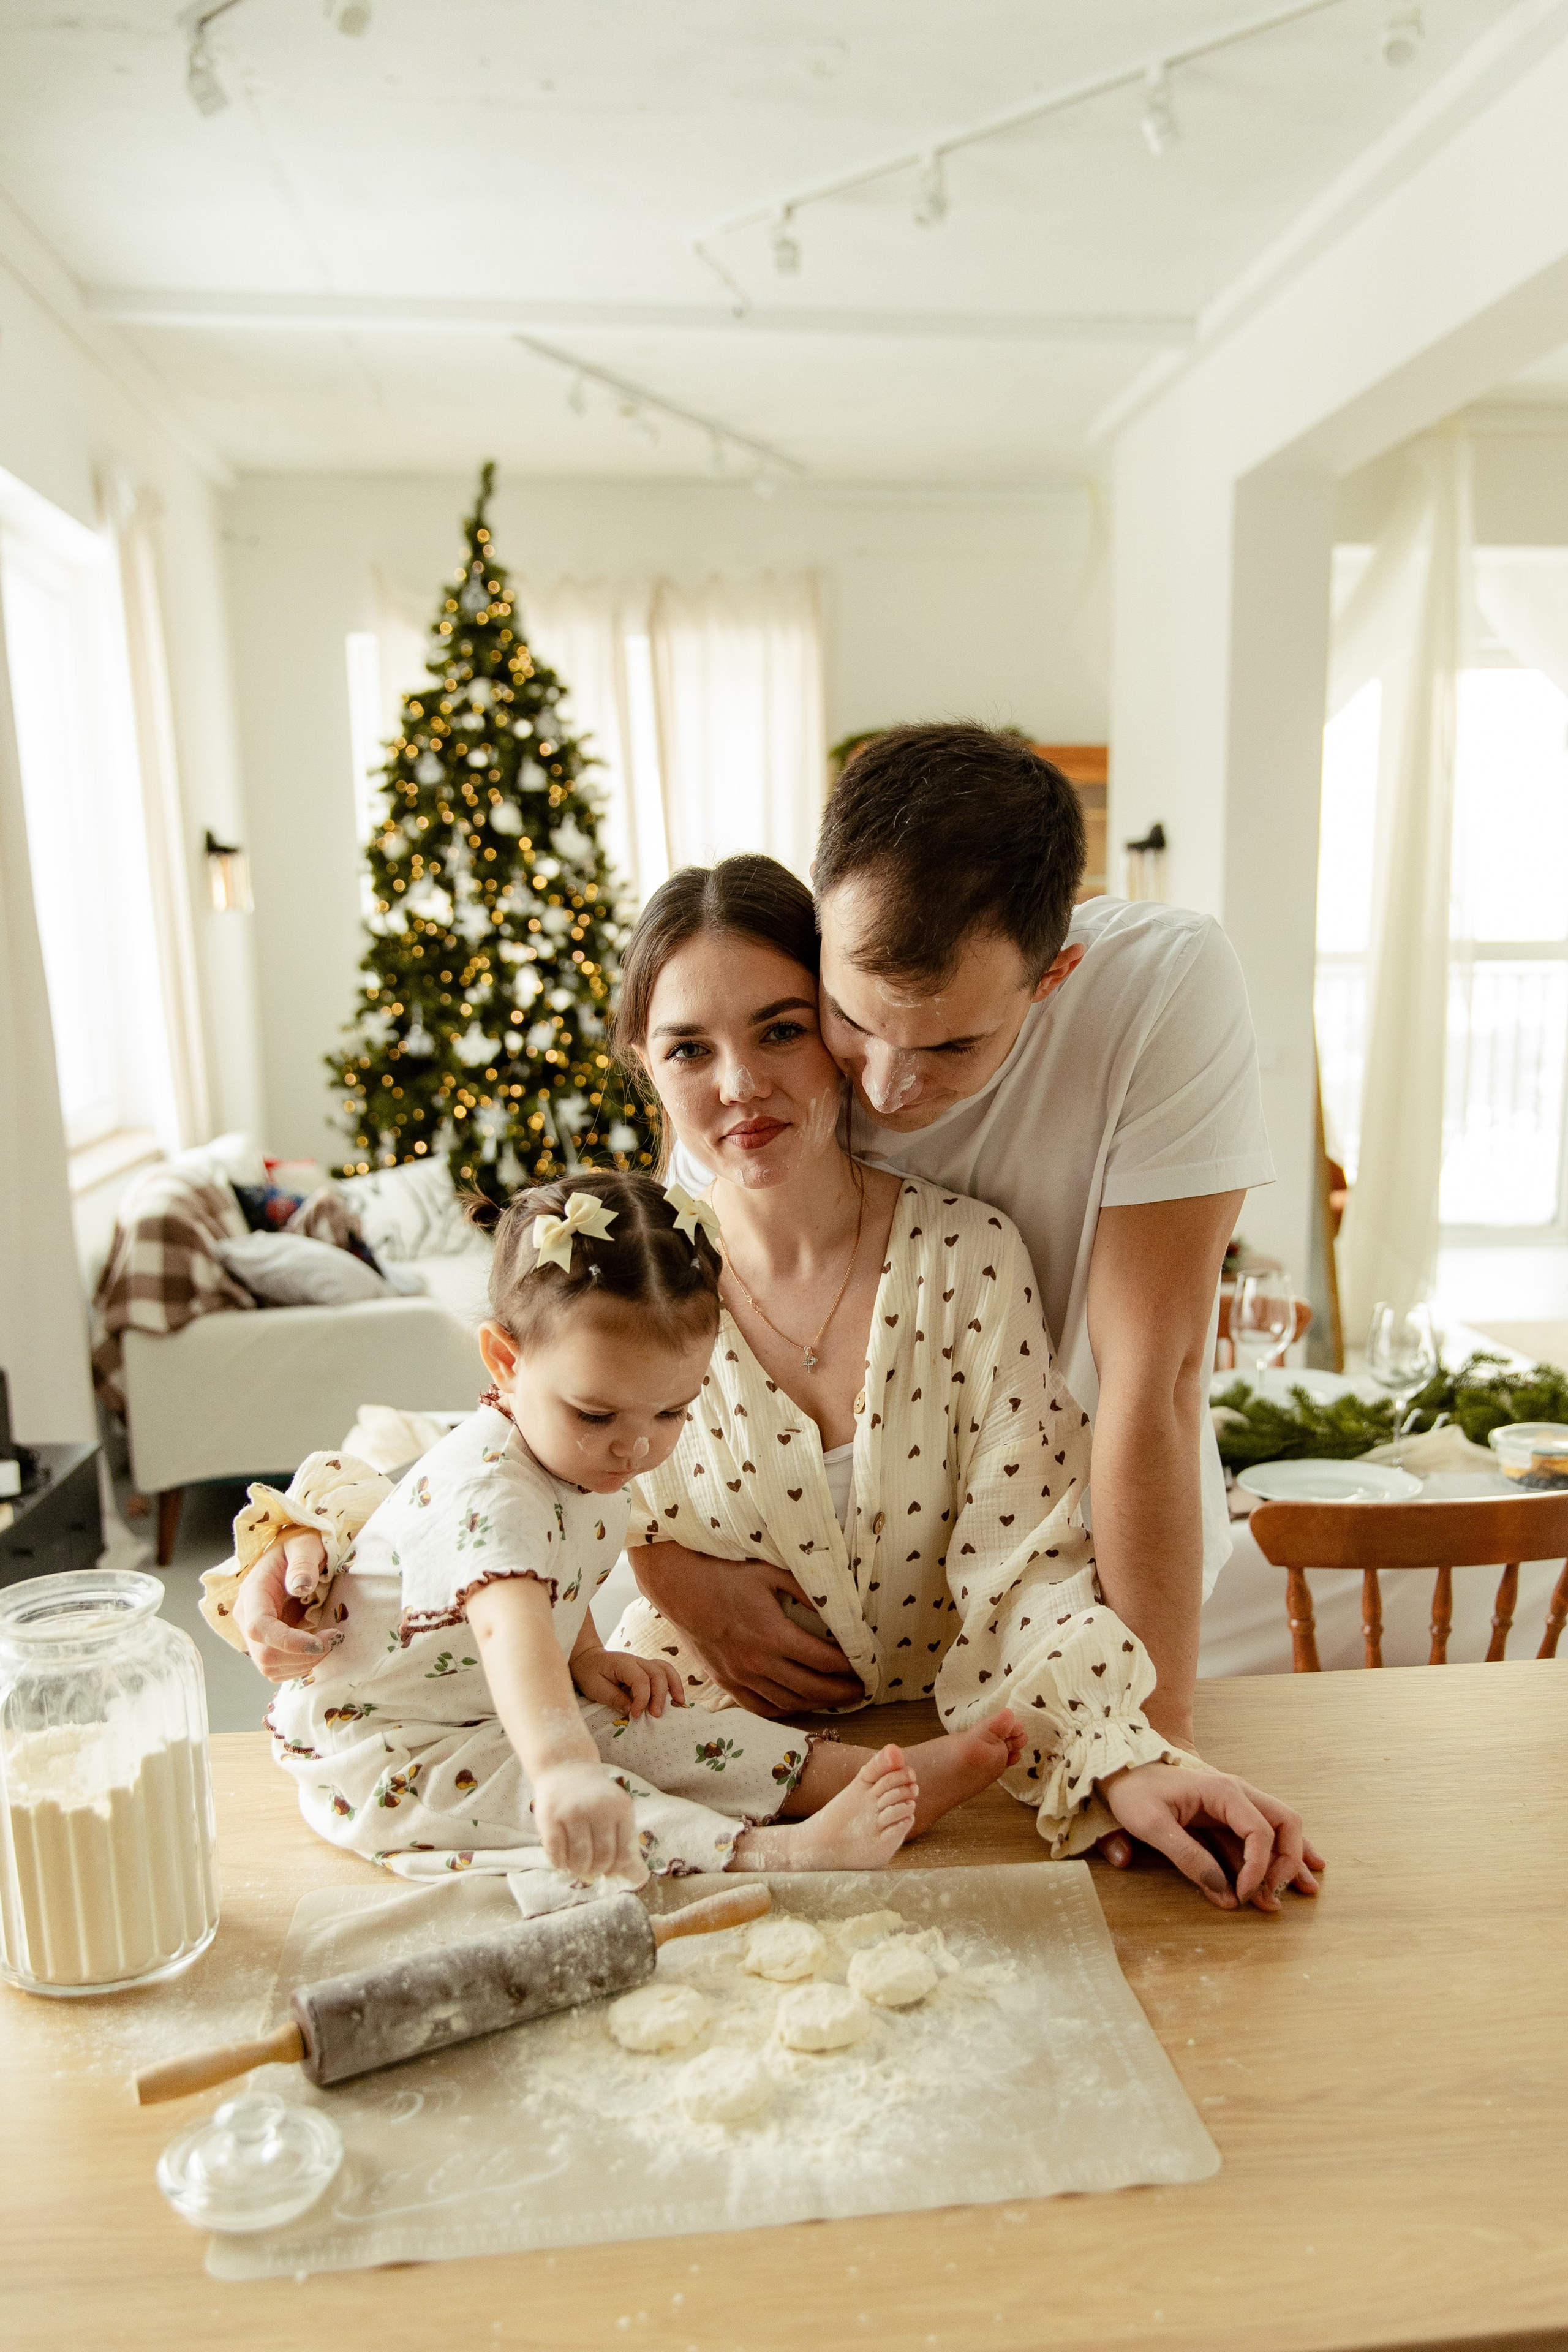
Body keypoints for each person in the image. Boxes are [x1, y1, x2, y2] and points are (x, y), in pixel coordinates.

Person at [606, 858, 1316, 1910]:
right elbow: (499, 1483)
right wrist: (295, 1547)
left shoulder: (968, 1257)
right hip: (690, 1788)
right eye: (689, 1049)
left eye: (781, 1030)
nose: (741, 1083)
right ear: (644, 1065)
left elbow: (1028, 1571)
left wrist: (1138, 1757)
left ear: (839, 1028)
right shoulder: (628, 1278)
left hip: (963, 1783)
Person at [644, 722, 1272, 1759]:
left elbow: (1151, 1383)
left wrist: (1153, 1741)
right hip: (821, 1643)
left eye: (952, 1044)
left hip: (1076, 1567)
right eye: (852, 1019)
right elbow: (668, 1370)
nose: (886, 1090)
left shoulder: (1163, 989)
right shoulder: (779, 1030)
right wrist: (663, 1569)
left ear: (1055, 975)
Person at [203, 1170, 1033, 1899]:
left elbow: (557, 1583)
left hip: (507, 1705)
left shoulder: (582, 1458)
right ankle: (770, 1850)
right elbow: (509, 1620)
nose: (636, 1447)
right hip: (391, 1749)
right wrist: (563, 1770)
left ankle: (859, 1775)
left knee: (673, 1732)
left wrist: (588, 1659)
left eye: (672, 1411)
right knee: (573, 1804)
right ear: (504, 1362)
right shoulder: (492, 1490)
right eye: (596, 1413)